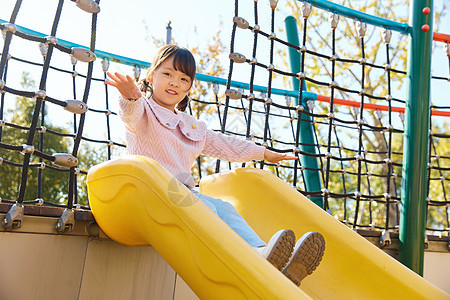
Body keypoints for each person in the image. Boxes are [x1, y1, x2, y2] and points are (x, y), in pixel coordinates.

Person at [105, 44, 325, 286]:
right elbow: (130, 116)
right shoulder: (143, 109)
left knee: (223, 208)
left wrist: (263, 153)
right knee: (205, 209)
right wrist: (130, 96)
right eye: (167, 74)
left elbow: (224, 145)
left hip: (180, 195)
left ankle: (265, 254)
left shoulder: (190, 124)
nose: (174, 82)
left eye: (183, 78)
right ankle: (252, 258)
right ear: (151, 76)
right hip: (149, 192)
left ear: (189, 87)